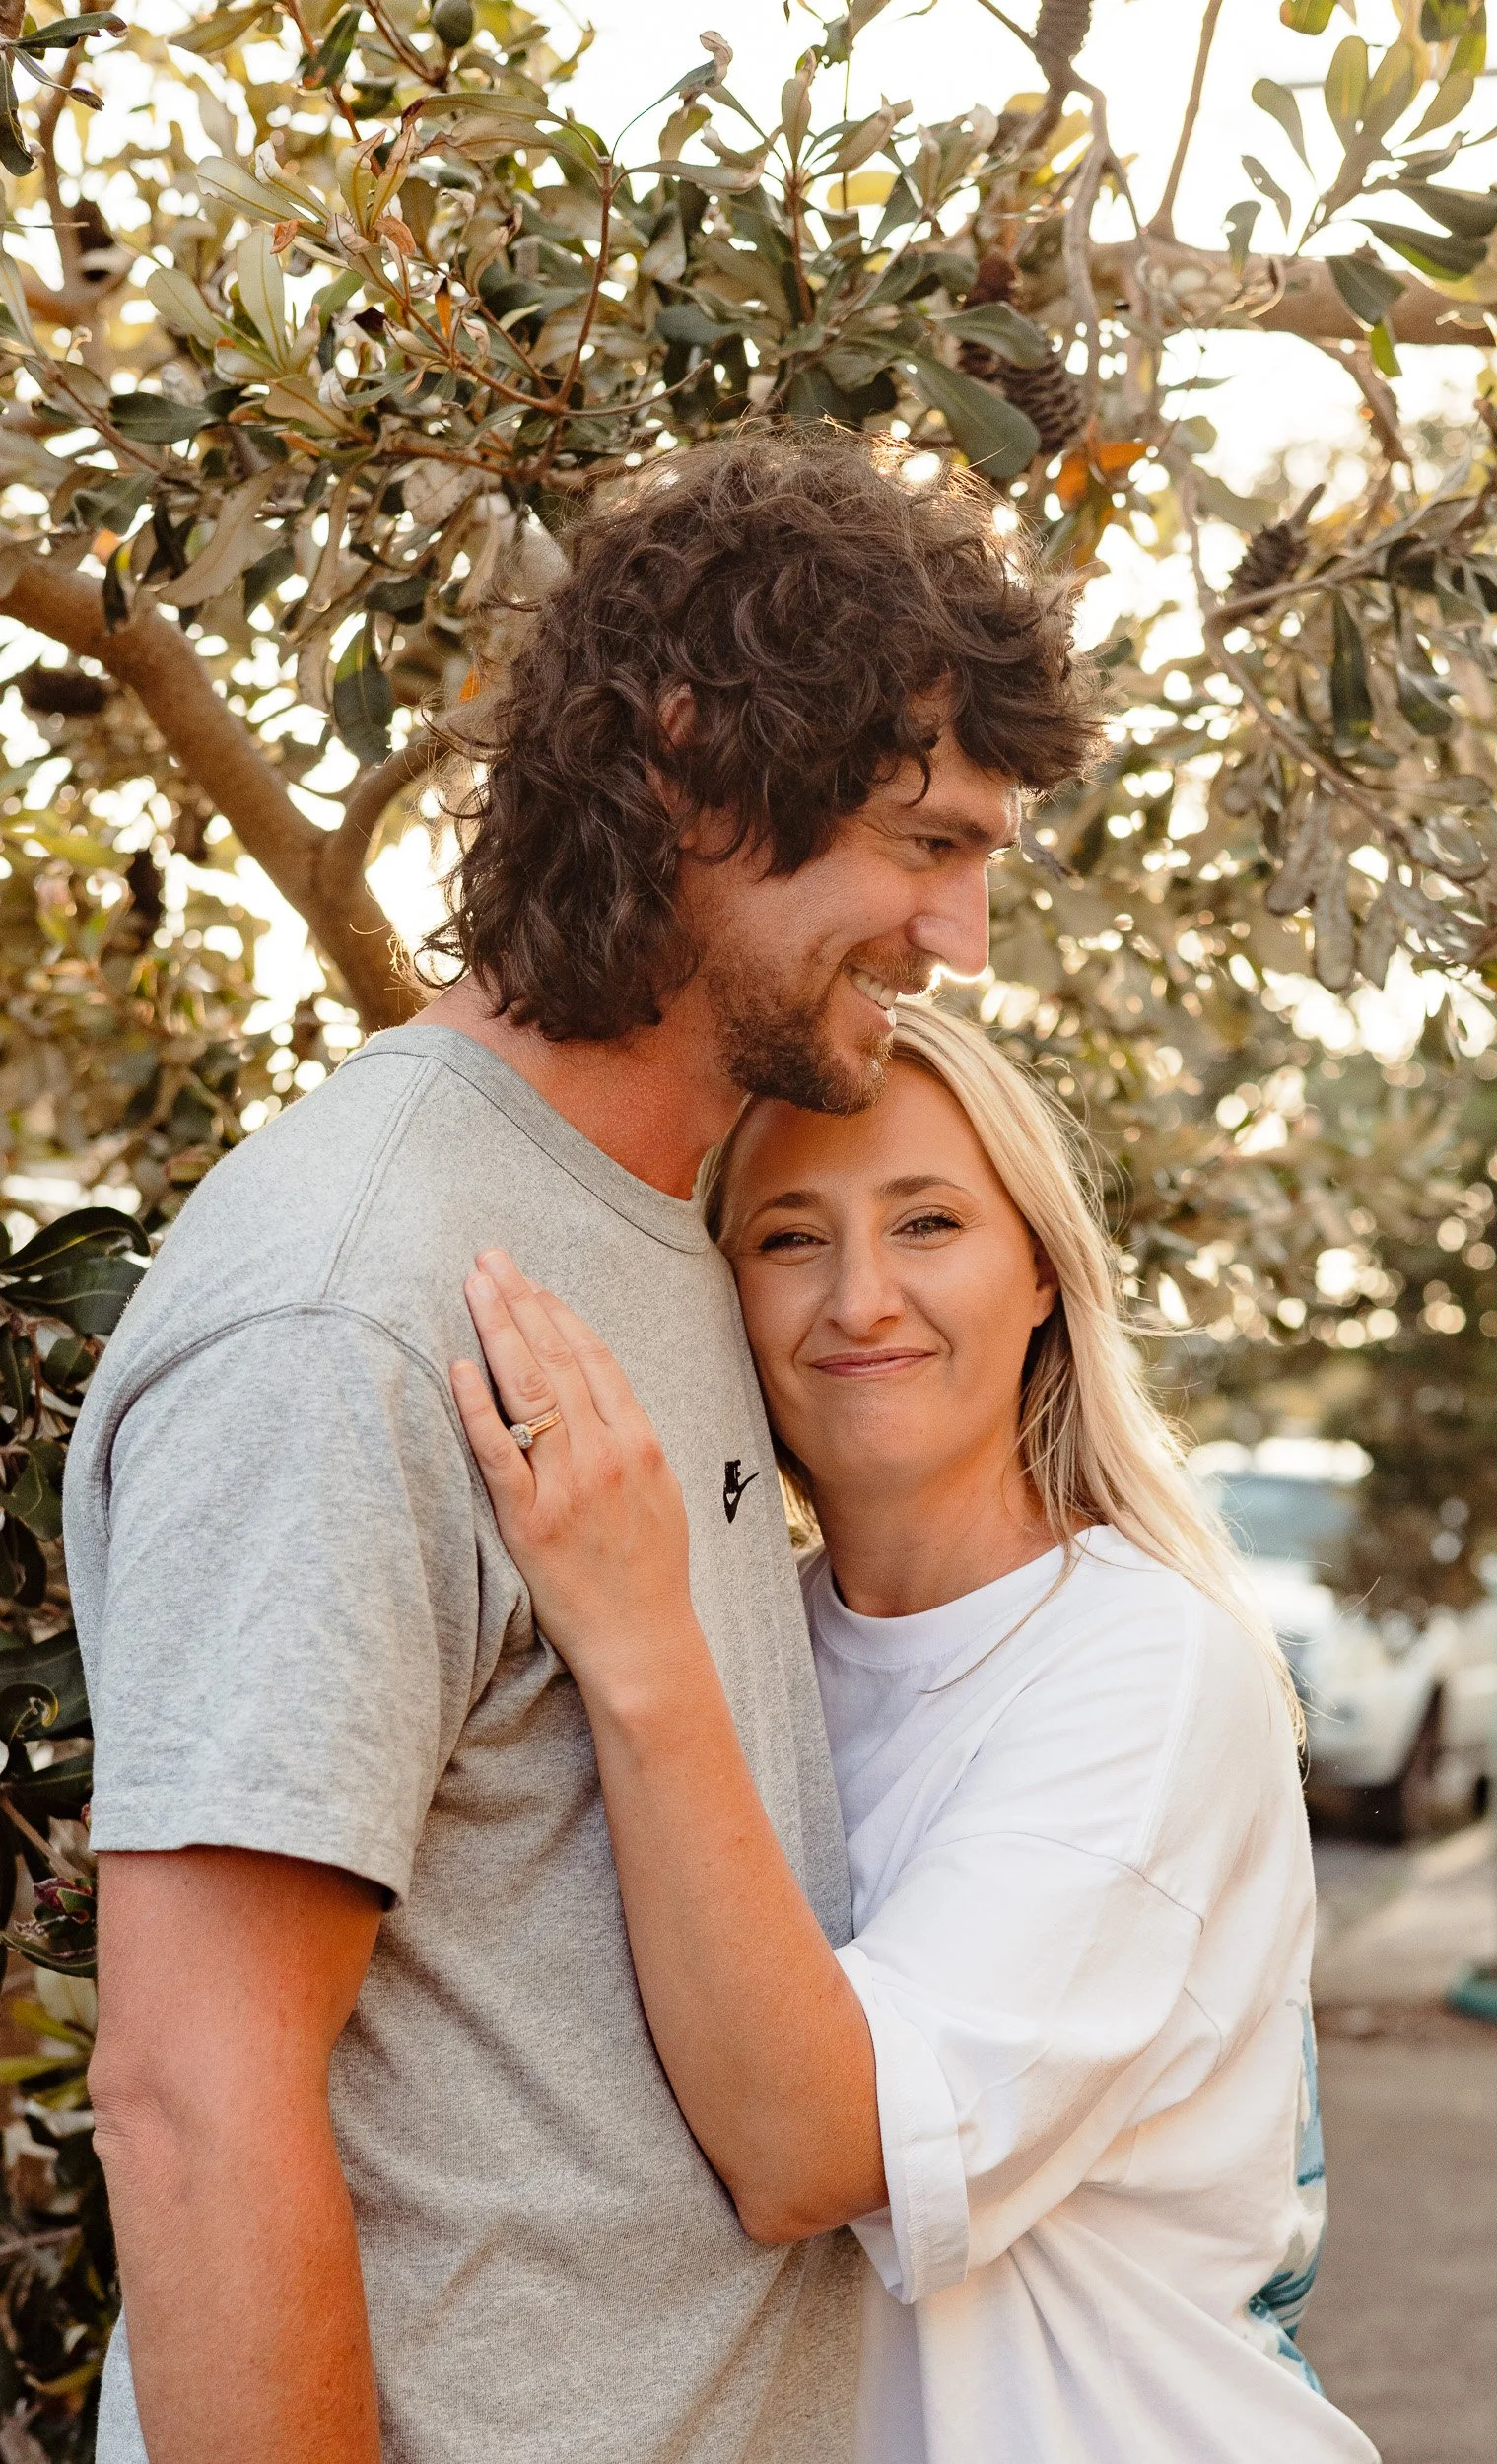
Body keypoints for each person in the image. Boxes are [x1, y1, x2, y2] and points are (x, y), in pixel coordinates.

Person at [64, 431, 1098, 2464]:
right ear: (689, 760)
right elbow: (192, 2098)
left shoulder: (656, 1228)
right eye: (921, 840)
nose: (960, 932)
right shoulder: (356, 1302)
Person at [451, 1002, 1381, 2464]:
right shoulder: (766, 1646)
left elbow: (811, 2154)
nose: (860, 1299)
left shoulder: (1141, 1665)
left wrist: (637, 1644)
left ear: (1037, 1280)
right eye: (787, 1238)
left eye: (929, 1222)